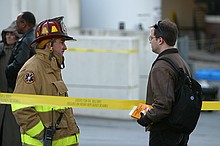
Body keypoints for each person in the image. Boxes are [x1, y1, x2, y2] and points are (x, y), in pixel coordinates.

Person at [11, 16, 80, 146]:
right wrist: (43, 136)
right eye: (61, 42)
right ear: (49, 45)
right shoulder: (32, 71)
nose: (65, 47)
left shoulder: (52, 67)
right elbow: (21, 109)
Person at [137, 19, 191, 146]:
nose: (150, 41)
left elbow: (163, 105)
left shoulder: (162, 66)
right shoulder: (181, 62)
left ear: (160, 40)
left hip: (164, 132)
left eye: (151, 38)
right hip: (180, 130)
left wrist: (146, 118)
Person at [0, 21, 22, 146]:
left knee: (11, 133)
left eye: (12, 34)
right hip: (2, 95)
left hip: (14, 97)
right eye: (7, 34)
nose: (9, 36)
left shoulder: (20, 52)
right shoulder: (1, 49)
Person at [6, 11, 36, 92]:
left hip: (23, 82)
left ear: (23, 23)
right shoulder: (35, 36)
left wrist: (8, 69)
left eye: (17, 22)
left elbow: (20, 62)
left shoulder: (26, 40)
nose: (16, 25)